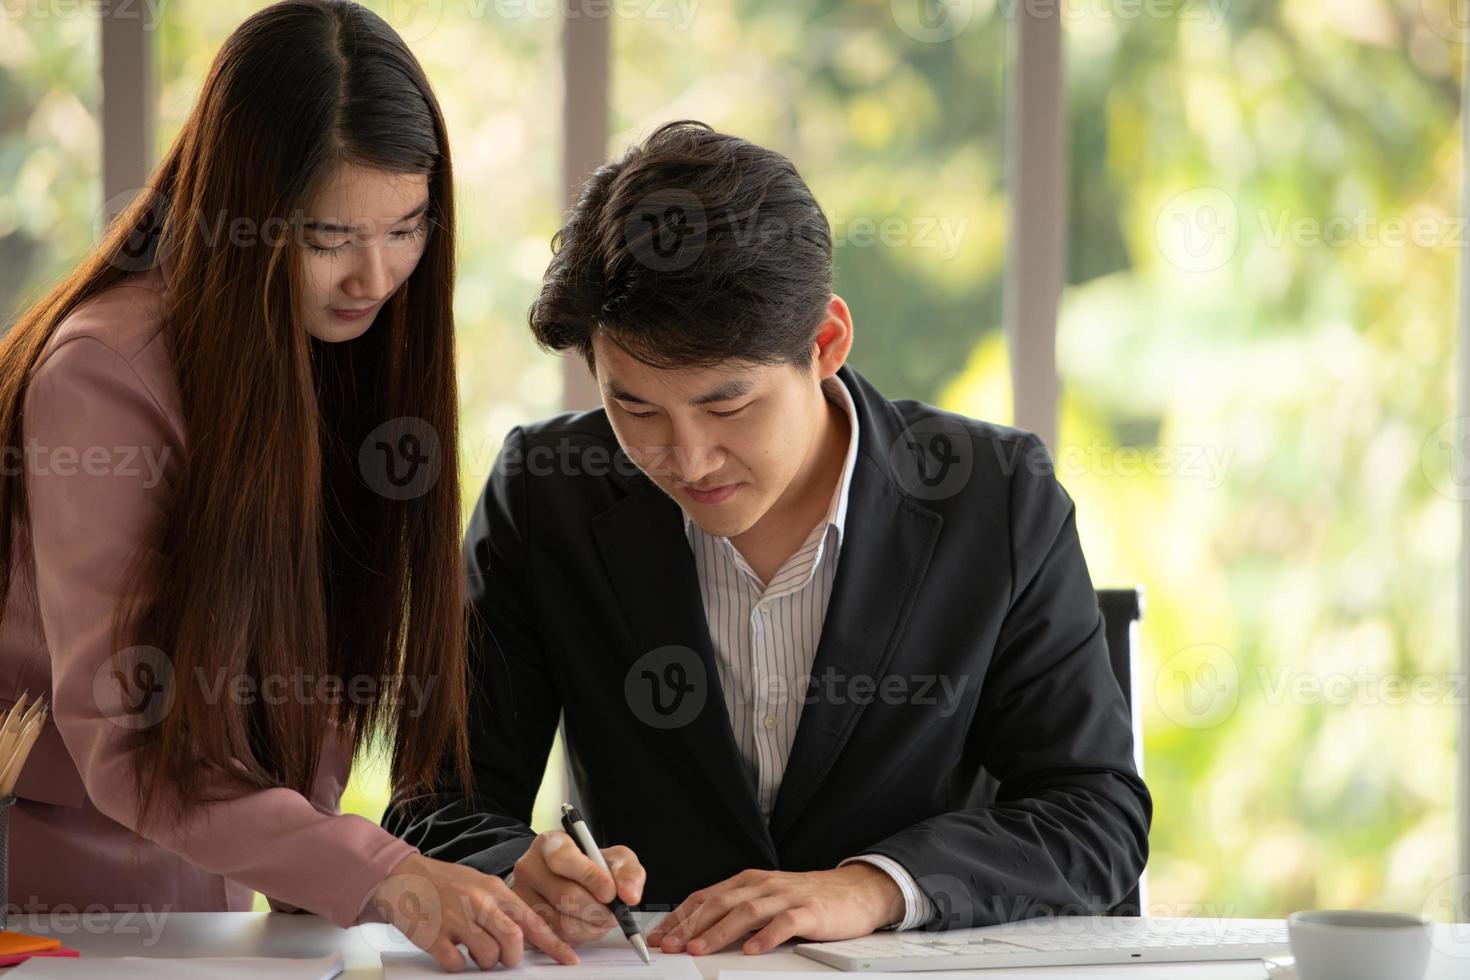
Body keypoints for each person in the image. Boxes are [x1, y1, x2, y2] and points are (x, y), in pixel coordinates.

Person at [384, 120, 1152, 955]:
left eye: (727, 405)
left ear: (824, 343)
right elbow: (434, 806)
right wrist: (514, 867)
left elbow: (1096, 814)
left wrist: (872, 889)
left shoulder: (997, 498)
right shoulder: (548, 493)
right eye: (634, 407)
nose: (685, 457)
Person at [0, 1, 576, 971]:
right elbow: (131, 734)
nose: (375, 275)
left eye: (407, 228)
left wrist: (338, 881)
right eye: (326, 237)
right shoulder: (105, 372)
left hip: (223, 893)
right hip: (68, 902)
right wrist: (377, 869)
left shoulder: (343, 349)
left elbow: (313, 686)